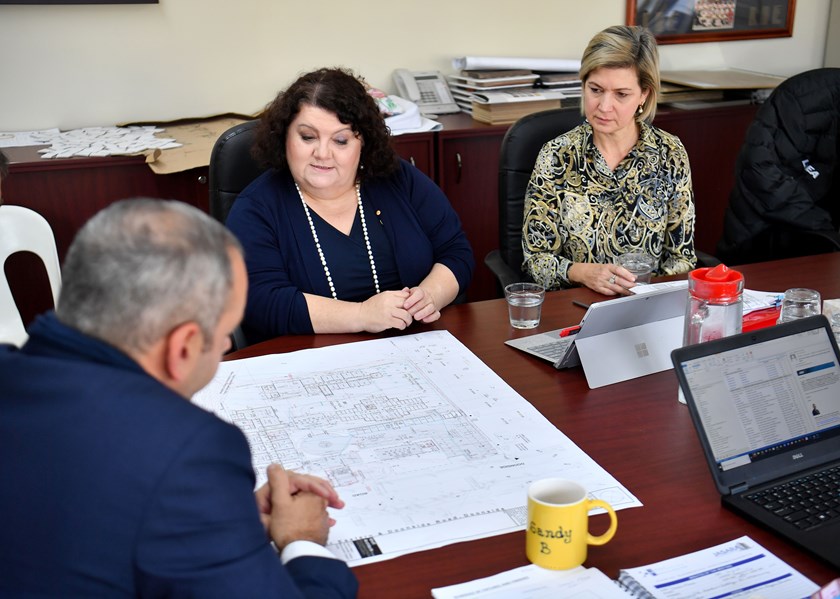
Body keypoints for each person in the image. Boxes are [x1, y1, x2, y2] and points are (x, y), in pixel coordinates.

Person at [0, 199, 358, 598]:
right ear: (184, 347)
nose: (225, 344)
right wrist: (303, 541)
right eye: (225, 332)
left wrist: (218, 517)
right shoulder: (189, 453)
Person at [226, 67, 474, 343]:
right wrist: (362, 315)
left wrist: (429, 296)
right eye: (307, 137)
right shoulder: (256, 208)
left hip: (414, 349)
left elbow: (455, 251)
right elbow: (260, 301)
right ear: (284, 137)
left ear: (362, 143)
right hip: (306, 362)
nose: (322, 153)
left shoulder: (397, 179)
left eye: (340, 140)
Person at [522, 25, 696, 295]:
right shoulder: (556, 155)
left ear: (644, 95)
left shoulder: (669, 152)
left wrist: (650, 294)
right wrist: (582, 272)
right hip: (575, 307)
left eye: (621, 94)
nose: (604, 106)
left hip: (649, 307)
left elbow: (682, 257)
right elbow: (536, 261)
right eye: (595, 90)